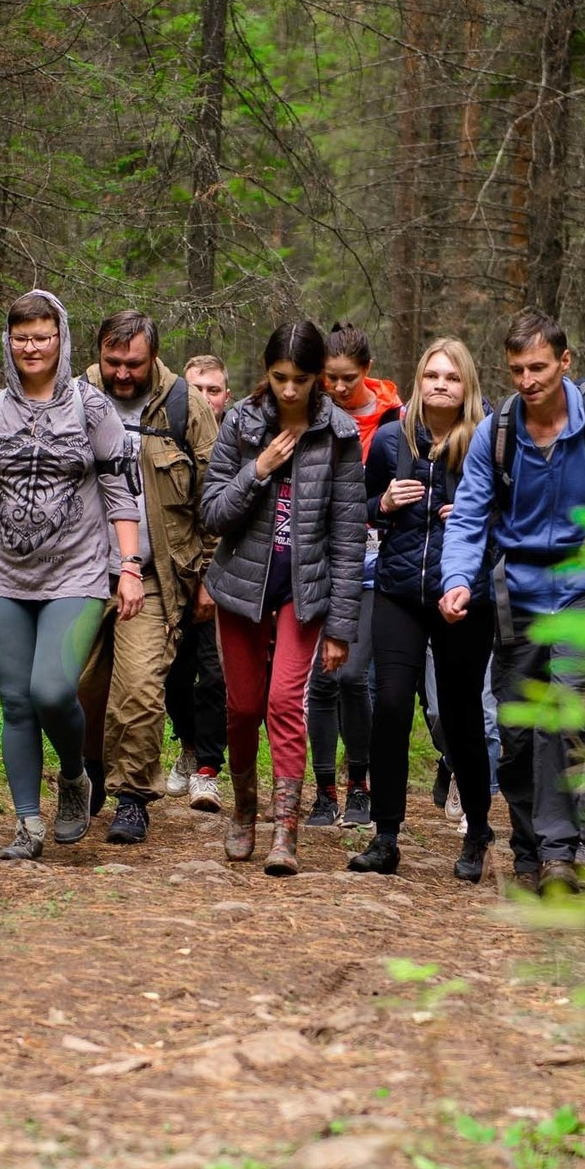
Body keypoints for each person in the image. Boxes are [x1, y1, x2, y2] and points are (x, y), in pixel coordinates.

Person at [437, 311, 585, 892]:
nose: (527, 380)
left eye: (538, 367)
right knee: (518, 732)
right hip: (517, 599)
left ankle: (559, 852)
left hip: (583, 595)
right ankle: (530, 851)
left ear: (564, 362)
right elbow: (471, 515)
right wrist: (456, 578)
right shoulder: (496, 432)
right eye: (516, 370)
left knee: (562, 721)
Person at [0, 290, 144, 862]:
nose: (31, 347)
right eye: (21, 337)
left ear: (62, 339)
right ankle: (27, 824)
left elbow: (119, 490)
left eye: (42, 336)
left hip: (75, 574)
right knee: (16, 702)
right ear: (9, 342)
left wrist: (129, 567)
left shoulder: (91, 407)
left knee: (51, 691)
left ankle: (74, 777)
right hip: (2, 576)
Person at [200, 319, 367, 877]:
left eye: (300, 379)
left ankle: (285, 829)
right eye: (279, 378)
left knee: (282, 705)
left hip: (306, 591)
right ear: (265, 374)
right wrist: (259, 469)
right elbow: (213, 513)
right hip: (242, 587)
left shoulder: (339, 434)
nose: (289, 390)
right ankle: (245, 811)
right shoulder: (242, 424)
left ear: (318, 377)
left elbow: (348, 535)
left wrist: (341, 626)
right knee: (244, 707)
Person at [348, 337, 498, 879]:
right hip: (397, 590)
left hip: (460, 598)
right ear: (418, 379)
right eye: (432, 374)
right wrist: (383, 505)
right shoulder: (391, 440)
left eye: (452, 377)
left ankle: (478, 828)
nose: (440, 384)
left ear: (467, 387)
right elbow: (362, 508)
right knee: (389, 706)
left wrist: (479, 520)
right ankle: (386, 836)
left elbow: (510, 523)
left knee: (459, 716)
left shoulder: (486, 443)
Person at [71, 310, 222, 845]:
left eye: (133, 363)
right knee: (82, 687)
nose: (122, 373)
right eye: (113, 361)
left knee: (138, 688)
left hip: (158, 574)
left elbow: (215, 495)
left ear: (153, 355)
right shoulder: (74, 397)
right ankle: (86, 773)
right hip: (81, 571)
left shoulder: (186, 405)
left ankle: (132, 797)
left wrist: (207, 575)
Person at [306, 323, 400, 828]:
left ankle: (359, 785)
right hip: (315, 561)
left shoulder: (395, 421)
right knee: (321, 683)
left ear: (367, 369)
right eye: (329, 379)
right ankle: (323, 792)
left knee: (348, 674)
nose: (338, 388)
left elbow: (398, 495)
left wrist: (376, 508)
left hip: (370, 563)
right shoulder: (313, 414)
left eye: (346, 378)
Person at [162, 354, 234, 812]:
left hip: (226, 575)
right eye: (197, 389)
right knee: (173, 675)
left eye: (214, 389)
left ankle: (208, 768)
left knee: (214, 674)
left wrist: (213, 577)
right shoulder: (167, 432)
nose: (205, 398)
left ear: (227, 395)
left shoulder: (242, 439)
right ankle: (187, 746)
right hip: (171, 575)